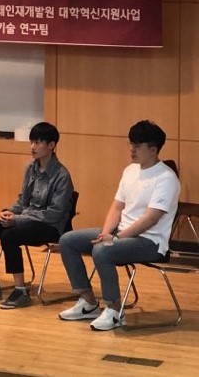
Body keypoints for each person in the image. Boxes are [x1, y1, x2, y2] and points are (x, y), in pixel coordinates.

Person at [58, 120, 180, 331]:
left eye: (137, 146)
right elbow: (117, 207)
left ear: (153, 149)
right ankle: (88, 302)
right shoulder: (130, 171)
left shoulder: (166, 178)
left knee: (103, 251)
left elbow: (151, 219)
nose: (132, 149)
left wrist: (115, 239)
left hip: (150, 241)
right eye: (131, 144)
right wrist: (106, 233)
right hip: (120, 233)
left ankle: (114, 311)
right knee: (68, 240)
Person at [0, 122, 74, 309]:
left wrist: (18, 219)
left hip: (50, 226)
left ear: (51, 145)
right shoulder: (30, 168)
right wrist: (10, 211)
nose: (32, 147)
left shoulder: (62, 175)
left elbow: (54, 213)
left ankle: (21, 290)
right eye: (31, 142)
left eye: (38, 143)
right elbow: (23, 200)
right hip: (25, 218)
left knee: (10, 236)